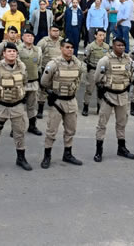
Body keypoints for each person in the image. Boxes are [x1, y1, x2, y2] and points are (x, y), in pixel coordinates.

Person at [0, 41, 33, 173]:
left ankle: (21, 158)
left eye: (14, 51)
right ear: (4, 53)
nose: (12, 53)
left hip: (17, 106)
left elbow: (25, 82)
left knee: (20, 133)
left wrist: (23, 98)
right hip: (1, 106)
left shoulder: (21, 66)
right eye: (9, 51)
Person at [40, 38, 85, 168]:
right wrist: (51, 93)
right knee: (51, 131)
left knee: (71, 130)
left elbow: (79, 79)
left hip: (71, 101)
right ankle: (47, 156)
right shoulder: (53, 64)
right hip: (57, 103)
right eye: (67, 47)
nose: (70, 50)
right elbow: (44, 82)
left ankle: (67, 154)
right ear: (61, 48)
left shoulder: (77, 64)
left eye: (72, 47)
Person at [93, 37, 134, 162]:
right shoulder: (105, 60)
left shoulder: (128, 60)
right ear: (113, 46)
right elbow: (97, 78)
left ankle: (122, 148)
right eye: (118, 45)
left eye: (123, 45)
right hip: (108, 96)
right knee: (102, 123)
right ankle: (98, 151)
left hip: (122, 95)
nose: (121, 47)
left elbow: (132, 75)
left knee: (121, 123)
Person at [17, 30, 43, 136]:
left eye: (32, 36)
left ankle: (32, 126)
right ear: (23, 37)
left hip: (33, 82)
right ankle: (16, 127)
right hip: (21, 83)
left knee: (32, 105)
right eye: (28, 36)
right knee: (18, 106)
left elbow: (39, 66)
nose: (30, 38)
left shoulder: (38, 50)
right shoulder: (18, 49)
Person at [81, 28, 109, 117]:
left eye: (103, 35)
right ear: (95, 35)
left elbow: (108, 58)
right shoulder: (90, 46)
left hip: (102, 71)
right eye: (100, 35)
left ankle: (99, 107)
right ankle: (85, 106)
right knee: (89, 89)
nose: (102, 37)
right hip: (93, 70)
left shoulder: (106, 47)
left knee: (101, 90)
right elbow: (85, 58)